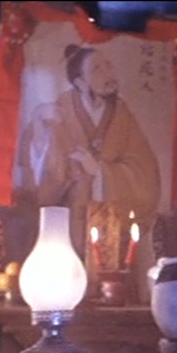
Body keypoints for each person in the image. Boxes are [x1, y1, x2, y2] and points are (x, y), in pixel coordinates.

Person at [13, 44, 161, 256]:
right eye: (97, 70)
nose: (108, 74)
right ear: (80, 83)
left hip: (108, 223)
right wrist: (40, 125)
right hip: (64, 227)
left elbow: (145, 171)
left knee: (107, 270)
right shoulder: (58, 112)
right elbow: (38, 176)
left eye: (109, 66)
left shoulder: (123, 115)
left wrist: (100, 172)